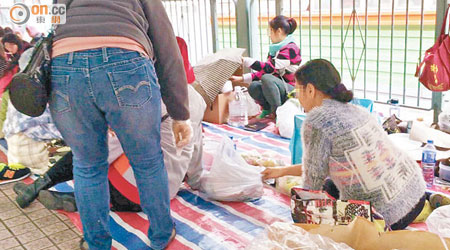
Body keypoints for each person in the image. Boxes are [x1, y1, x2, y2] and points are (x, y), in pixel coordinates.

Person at [50, 1, 191, 249]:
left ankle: (97, 243)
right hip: (126, 60)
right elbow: (167, 46)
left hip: (65, 65)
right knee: (147, 161)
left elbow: (55, 24)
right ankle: (160, 234)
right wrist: (180, 114)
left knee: (87, 165)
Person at [262, 59, 426, 230]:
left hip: (387, 216)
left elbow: (312, 181)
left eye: (298, 92)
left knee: (302, 211)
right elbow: (321, 166)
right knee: (331, 186)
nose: (298, 98)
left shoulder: (317, 120)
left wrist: (304, 217)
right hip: (416, 193)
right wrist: (281, 171)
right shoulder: (356, 110)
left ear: (310, 90)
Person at [14, 84, 206, 212]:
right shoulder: (197, 100)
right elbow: (196, 149)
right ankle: (76, 199)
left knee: (92, 149)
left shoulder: (152, 96)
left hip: (134, 187)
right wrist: (197, 180)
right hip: (164, 193)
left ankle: (42, 186)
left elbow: (111, 147)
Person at [230, 15, 301, 119]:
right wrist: (242, 78)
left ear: (279, 31)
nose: (269, 35)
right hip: (277, 87)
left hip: (289, 89)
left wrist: (245, 61)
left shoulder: (291, 48)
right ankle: (267, 109)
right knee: (254, 86)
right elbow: (266, 71)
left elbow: (269, 68)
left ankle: (278, 113)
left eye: (271, 31)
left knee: (266, 78)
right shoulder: (275, 49)